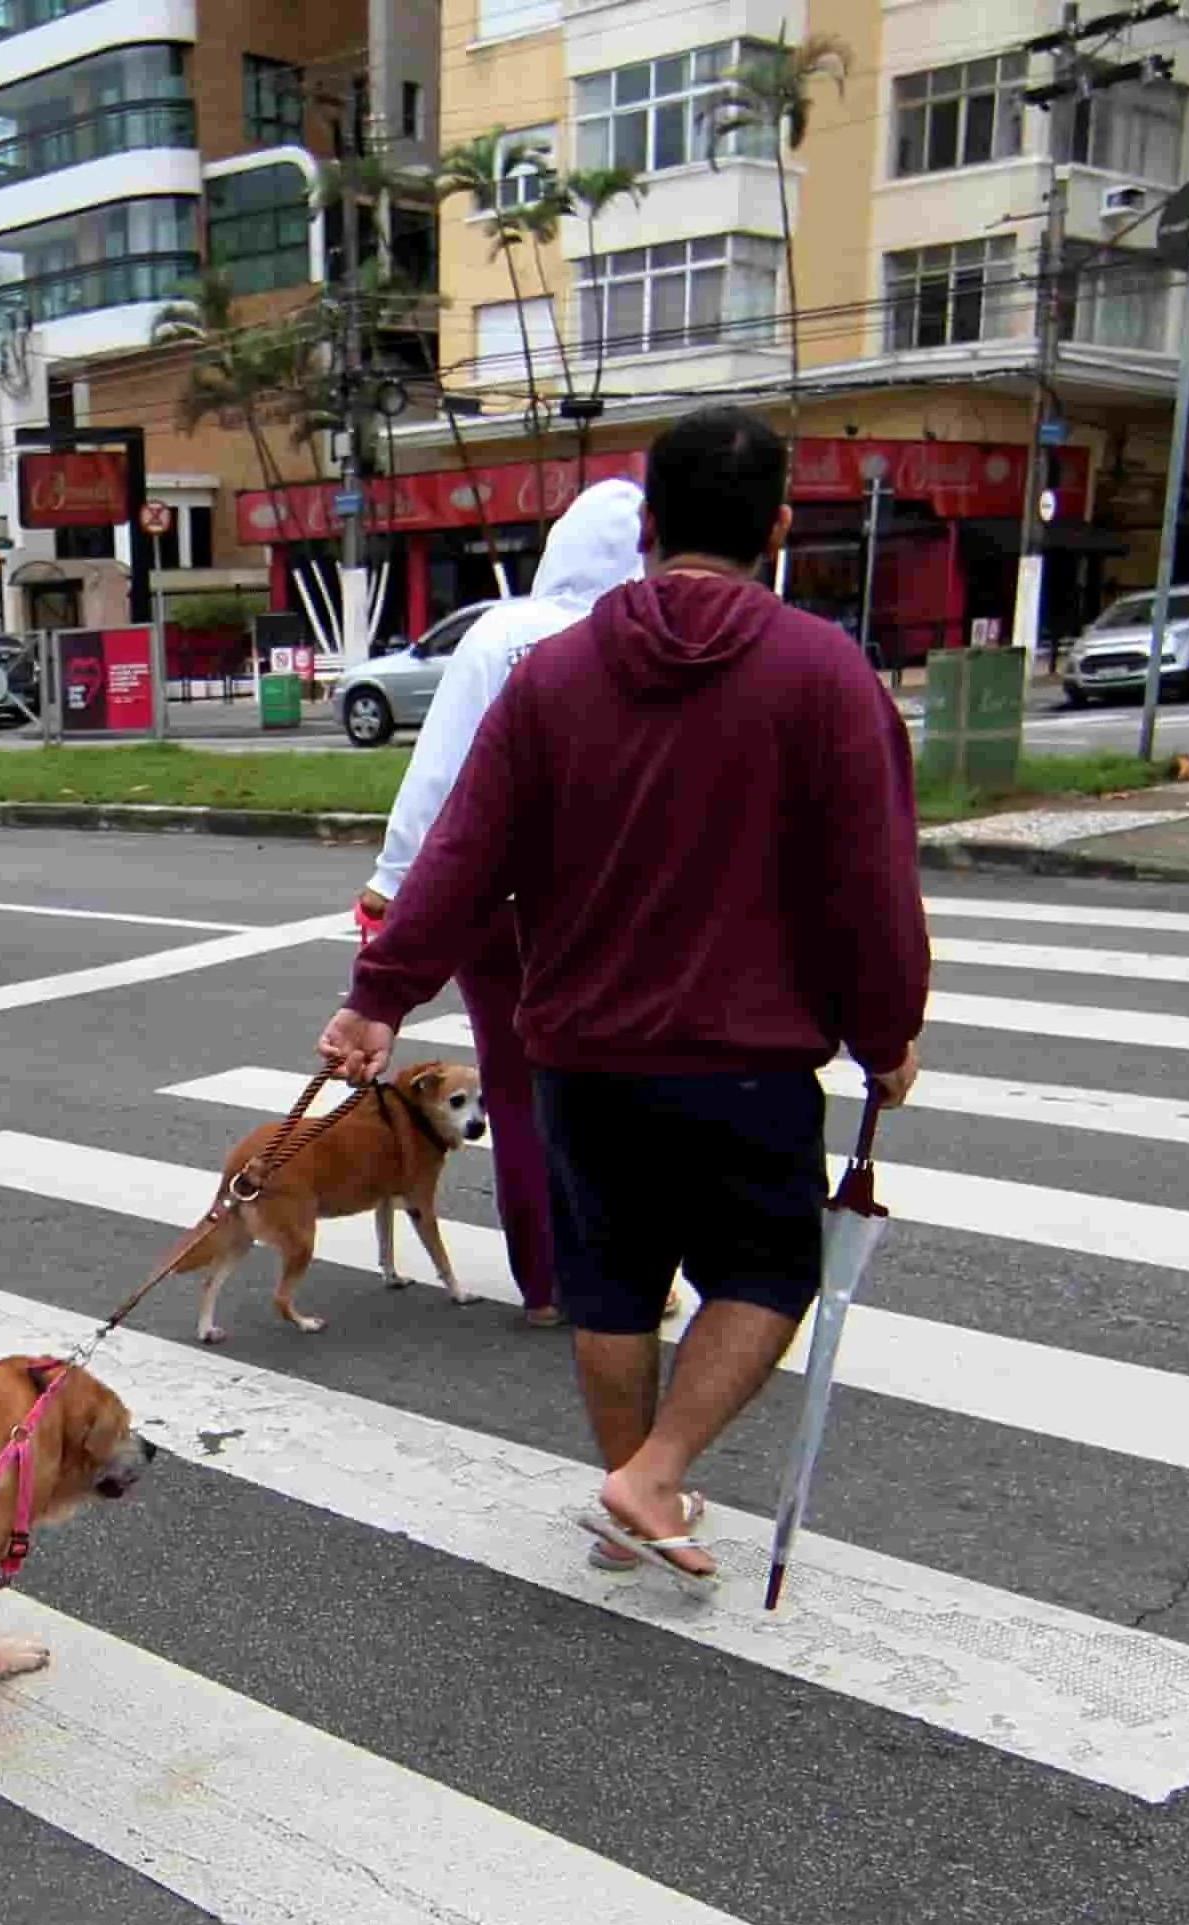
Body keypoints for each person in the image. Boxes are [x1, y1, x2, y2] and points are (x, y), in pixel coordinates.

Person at [315, 407, 928, 1586]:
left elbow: (463, 853)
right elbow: (872, 885)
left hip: (582, 1057)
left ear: (648, 524)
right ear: (779, 528)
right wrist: (885, 1034)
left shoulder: (553, 676)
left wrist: (379, 995)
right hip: (746, 1058)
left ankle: (629, 1500)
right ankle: (656, 1476)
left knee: (612, 1288)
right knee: (766, 1272)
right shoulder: (826, 675)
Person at [356, 480, 647, 1326]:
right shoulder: (650, 638)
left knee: (514, 1092)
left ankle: (545, 1285)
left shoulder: (500, 635)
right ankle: (624, 1275)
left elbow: (439, 775)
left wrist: (390, 883)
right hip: (612, 905)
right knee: (619, 1096)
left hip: (498, 909)